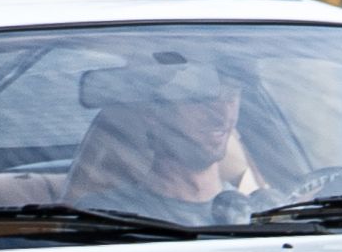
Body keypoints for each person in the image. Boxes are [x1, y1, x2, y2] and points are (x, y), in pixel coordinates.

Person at [69, 65, 282, 227]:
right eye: (201, 100)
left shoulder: (264, 214)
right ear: (153, 113)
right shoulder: (104, 218)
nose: (222, 116)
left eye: (231, 97)